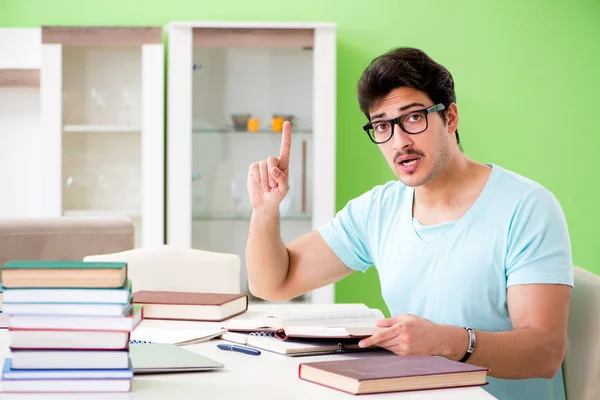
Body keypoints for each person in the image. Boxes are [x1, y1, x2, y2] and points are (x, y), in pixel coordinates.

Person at [245, 47, 573, 400]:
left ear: (450, 118)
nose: (400, 141)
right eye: (383, 126)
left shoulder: (526, 207)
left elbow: (545, 354)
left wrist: (448, 341)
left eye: (413, 118)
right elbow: (272, 284)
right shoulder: (379, 208)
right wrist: (266, 210)